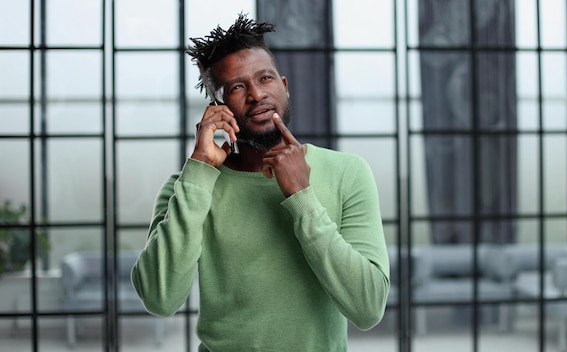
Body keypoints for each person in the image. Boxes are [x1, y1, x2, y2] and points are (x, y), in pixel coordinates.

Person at [131, 13, 389, 352]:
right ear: (218, 108)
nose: (256, 95)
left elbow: (368, 309)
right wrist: (200, 167)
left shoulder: (348, 172)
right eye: (237, 87)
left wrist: (302, 197)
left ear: (284, 85)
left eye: (264, 78)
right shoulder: (189, 185)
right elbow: (159, 298)